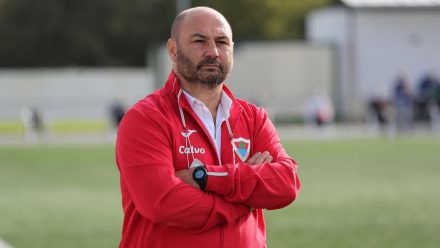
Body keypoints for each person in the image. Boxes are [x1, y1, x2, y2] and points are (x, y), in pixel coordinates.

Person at [115, 7, 300, 248]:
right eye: (199, 41)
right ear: (173, 49)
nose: (212, 52)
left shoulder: (254, 118)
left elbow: (286, 184)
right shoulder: (146, 118)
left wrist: (204, 177)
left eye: (222, 42)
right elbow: (162, 202)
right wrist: (246, 198)